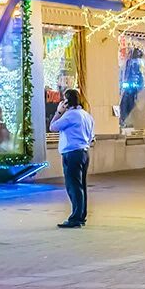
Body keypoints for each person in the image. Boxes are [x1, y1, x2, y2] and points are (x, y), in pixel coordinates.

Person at [49, 89, 95, 229]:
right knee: (81, 185)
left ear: (67, 102)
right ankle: (81, 216)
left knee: (73, 186)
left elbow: (53, 127)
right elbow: (92, 136)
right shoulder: (86, 115)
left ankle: (75, 218)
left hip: (72, 152)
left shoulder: (70, 116)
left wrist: (58, 112)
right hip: (84, 152)